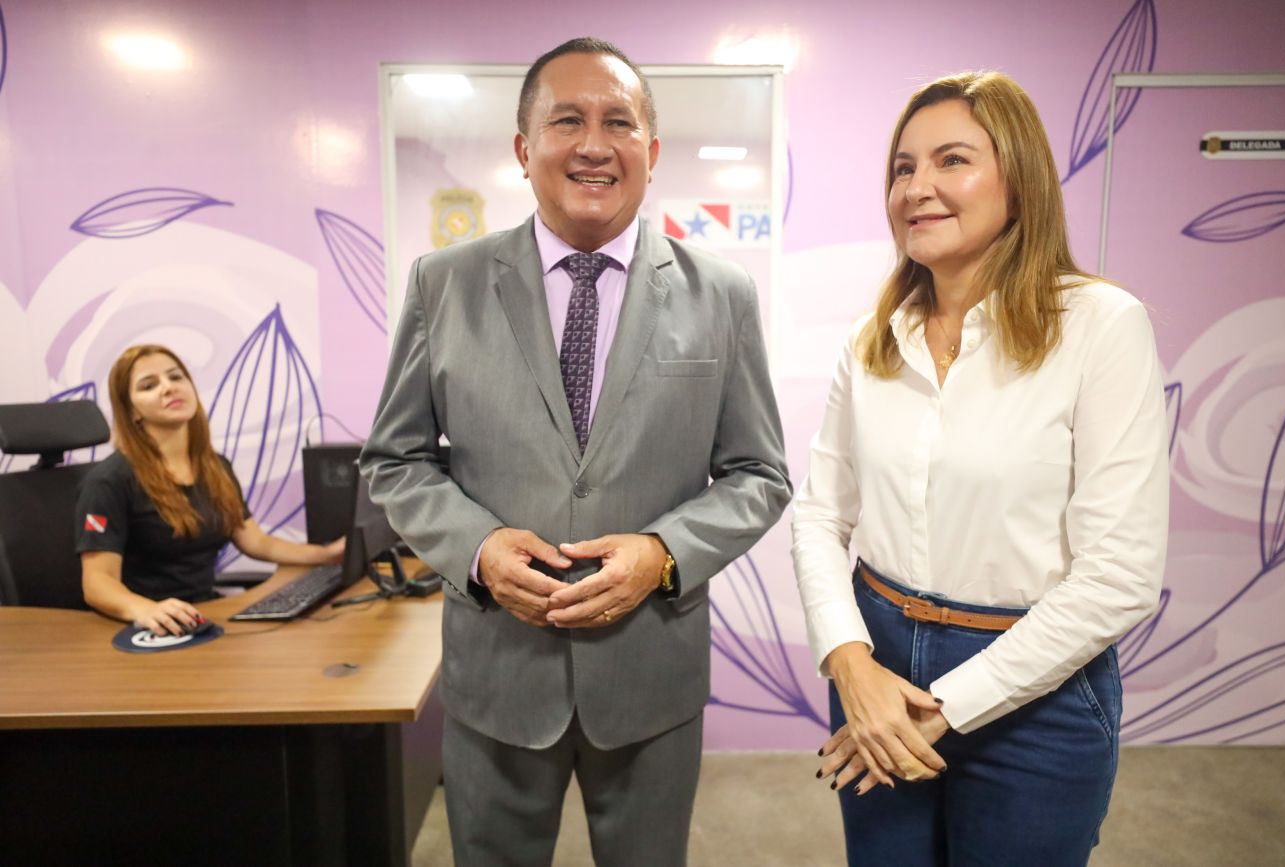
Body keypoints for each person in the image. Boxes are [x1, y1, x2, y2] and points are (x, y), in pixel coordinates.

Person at [361, 36, 790, 867]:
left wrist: (664, 553)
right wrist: (478, 548)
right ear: (524, 150)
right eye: (567, 121)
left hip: (650, 674)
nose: (595, 144)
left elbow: (759, 474)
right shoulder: (443, 284)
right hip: (498, 671)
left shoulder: (721, 294)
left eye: (618, 122)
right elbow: (395, 459)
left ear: (651, 152)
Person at [791, 71, 1169, 866]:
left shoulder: (1100, 326)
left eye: (951, 160)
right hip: (877, 662)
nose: (916, 188)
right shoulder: (873, 337)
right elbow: (821, 514)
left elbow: (1121, 575)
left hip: (1038, 688)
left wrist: (945, 706)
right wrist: (850, 662)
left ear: (1018, 181)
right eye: (903, 168)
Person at [76, 344, 345, 636]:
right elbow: (97, 583)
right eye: (149, 385)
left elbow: (256, 541)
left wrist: (326, 555)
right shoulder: (108, 481)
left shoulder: (216, 467)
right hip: (152, 629)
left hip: (204, 616)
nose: (168, 387)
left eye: (176, 377)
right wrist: (145, 609)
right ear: (131, 411)